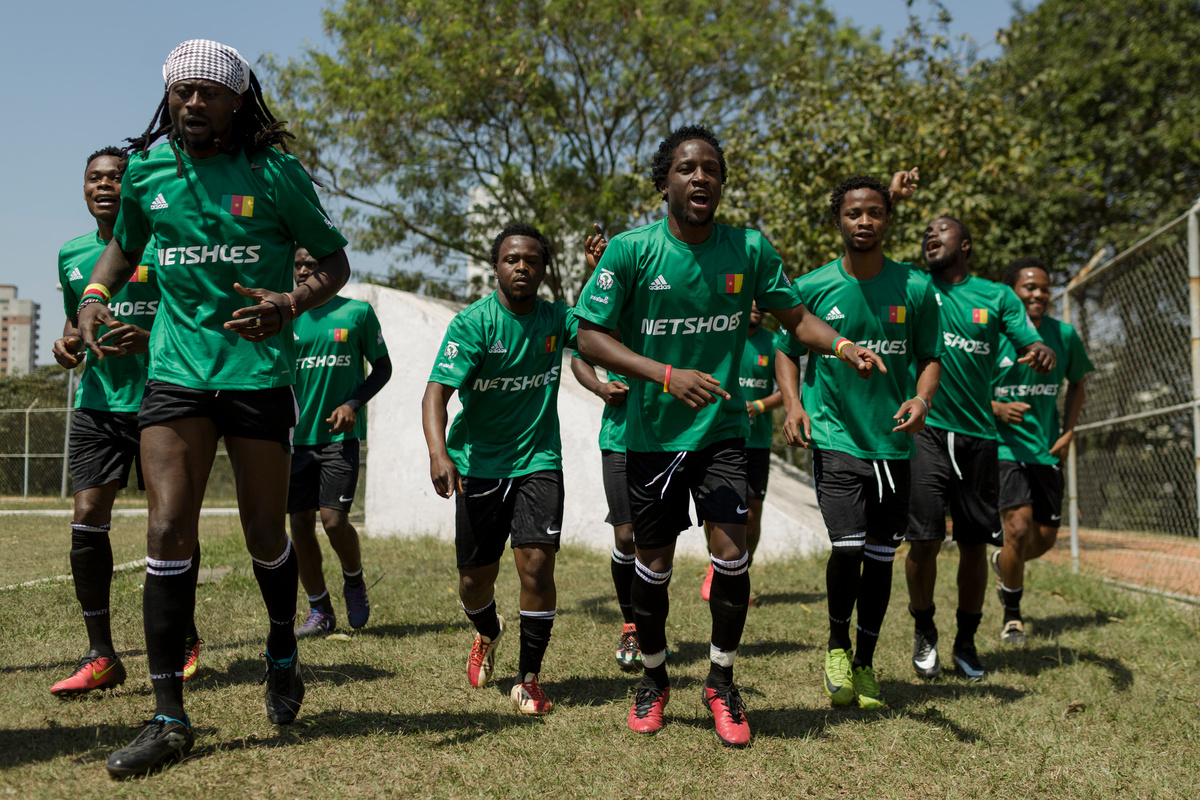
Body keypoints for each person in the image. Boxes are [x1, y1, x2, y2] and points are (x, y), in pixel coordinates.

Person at [76, 40, 351, 777]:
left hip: (257, 372)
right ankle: (168, 717)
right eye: (180, 92)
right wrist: (96, 297)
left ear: (236, 100)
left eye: (207, 92)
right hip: (175, 372)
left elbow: (333, 260)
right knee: (168, 525)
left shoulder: (274, 173)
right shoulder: (147, 171)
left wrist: (290, 301)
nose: (192, 103)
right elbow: (121, 249)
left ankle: (282, 648)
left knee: (266, 531)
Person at [574, 125, 882, 747]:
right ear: (665, 182)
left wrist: (844, 345)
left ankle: (721, 681)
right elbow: (588, 336)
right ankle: (656, 680)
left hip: (723, 431)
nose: (700, 178)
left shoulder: (748, 249)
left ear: (721, 182)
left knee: (732, 552)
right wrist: (664, 374)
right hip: (654, 436)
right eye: (687, 169)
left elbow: (797, 319)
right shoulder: (632, 251)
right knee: (652, 563)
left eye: (711, 169)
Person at [776, 175, 943, 709]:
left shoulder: (916, 288)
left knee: (880, 557)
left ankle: (867, 664)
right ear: (838, 221)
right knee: (846, 550)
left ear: (888, 219)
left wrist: (921, 401)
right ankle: (836, 648)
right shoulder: (812, 286)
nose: (864, 222)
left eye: (874, 212)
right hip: (836, 435)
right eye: (853, 214)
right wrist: (796, 404)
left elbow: (930, 357)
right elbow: (786, 348)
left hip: (893, 444)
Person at [50, 146, 203, 697]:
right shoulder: (72, 253)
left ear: (132, 186)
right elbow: (76, 317)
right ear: (84, 188)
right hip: (97, 402)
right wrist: (68, 344)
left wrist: (151, 335)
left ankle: (183, 635)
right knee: (87, 516)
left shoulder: (166, 243)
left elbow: (192, 310)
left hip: (162, 397)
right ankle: (101, 654)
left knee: (171, 519)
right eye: (95, 178)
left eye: (117, 177)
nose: (106, 185)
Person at [422, 223, 577, 717]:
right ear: (496, 267)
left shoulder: (556, 319)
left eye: (531, 260)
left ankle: (528, 679)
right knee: (474, 583)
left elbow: (602, 325)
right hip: (479, 466)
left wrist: (600, 270)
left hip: (539, 462)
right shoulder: (472, 325)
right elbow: (435, 394)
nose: (521, 267)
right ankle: (488, 632)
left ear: (543, 270)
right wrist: (438, 451)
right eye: (511, 259)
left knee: (536, 565)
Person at [904, 216, 1056, 683]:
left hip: (979, 439)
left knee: (973, 546)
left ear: (964, 244)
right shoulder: (912, 285)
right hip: (927, 430)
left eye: (942, 231)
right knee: (925, 540)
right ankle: (924, 628)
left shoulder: (996, 296)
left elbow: (1026, 337)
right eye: (927, 232)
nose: (932, 236)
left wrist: (1039, 348)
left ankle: (965, 643)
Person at [289, 247, 392, 637]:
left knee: (333, 521)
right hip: (294, 440)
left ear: (328, 272)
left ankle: (354, 581)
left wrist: (353, 403)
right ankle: (320, 611)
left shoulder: (357, 314)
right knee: (299, 526)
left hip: (339, 439)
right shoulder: (285, 317)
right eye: (297, 264)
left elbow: (383, 367)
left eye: (311, 265)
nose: (302, 271)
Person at [990, 257, 1093, 645]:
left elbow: (1078, 383)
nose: (1038, 294)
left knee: (1044, 538)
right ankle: (1012, 618)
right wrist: (995, 408)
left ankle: (1003, 563)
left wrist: (1067, 433)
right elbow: (959, 386)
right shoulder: (993, 335)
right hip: (1002, 446)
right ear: (1011, 292)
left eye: (1044, 287)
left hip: (1045, 450)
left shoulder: (1063, 335)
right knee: (1016, 527)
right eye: (1029, 287)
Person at [699, 300, 782, 601]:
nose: (758, 306)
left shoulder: (773, 343)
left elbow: (787, 389)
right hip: (723, 437)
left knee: (753, 515)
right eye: (752, 301)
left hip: (757, 442)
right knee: (718, 511)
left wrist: (759, 406)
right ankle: (716, 565)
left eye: (763, 303)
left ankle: (740, 569)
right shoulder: (721, 333)